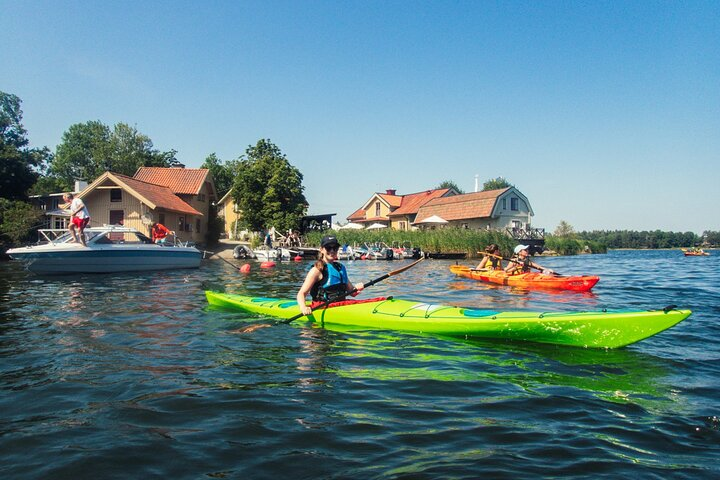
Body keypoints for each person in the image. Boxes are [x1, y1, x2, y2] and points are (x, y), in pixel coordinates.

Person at [296, 235, 365, 315]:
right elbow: (301, 294)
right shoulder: (316, 270)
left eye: (335, 248)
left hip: (341, 305)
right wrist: (303, 307)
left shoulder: (340, 268)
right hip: (322, 307)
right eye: (328, 248)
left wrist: (357, 288)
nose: (332, 251)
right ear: (321, 250)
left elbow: (351, 292)